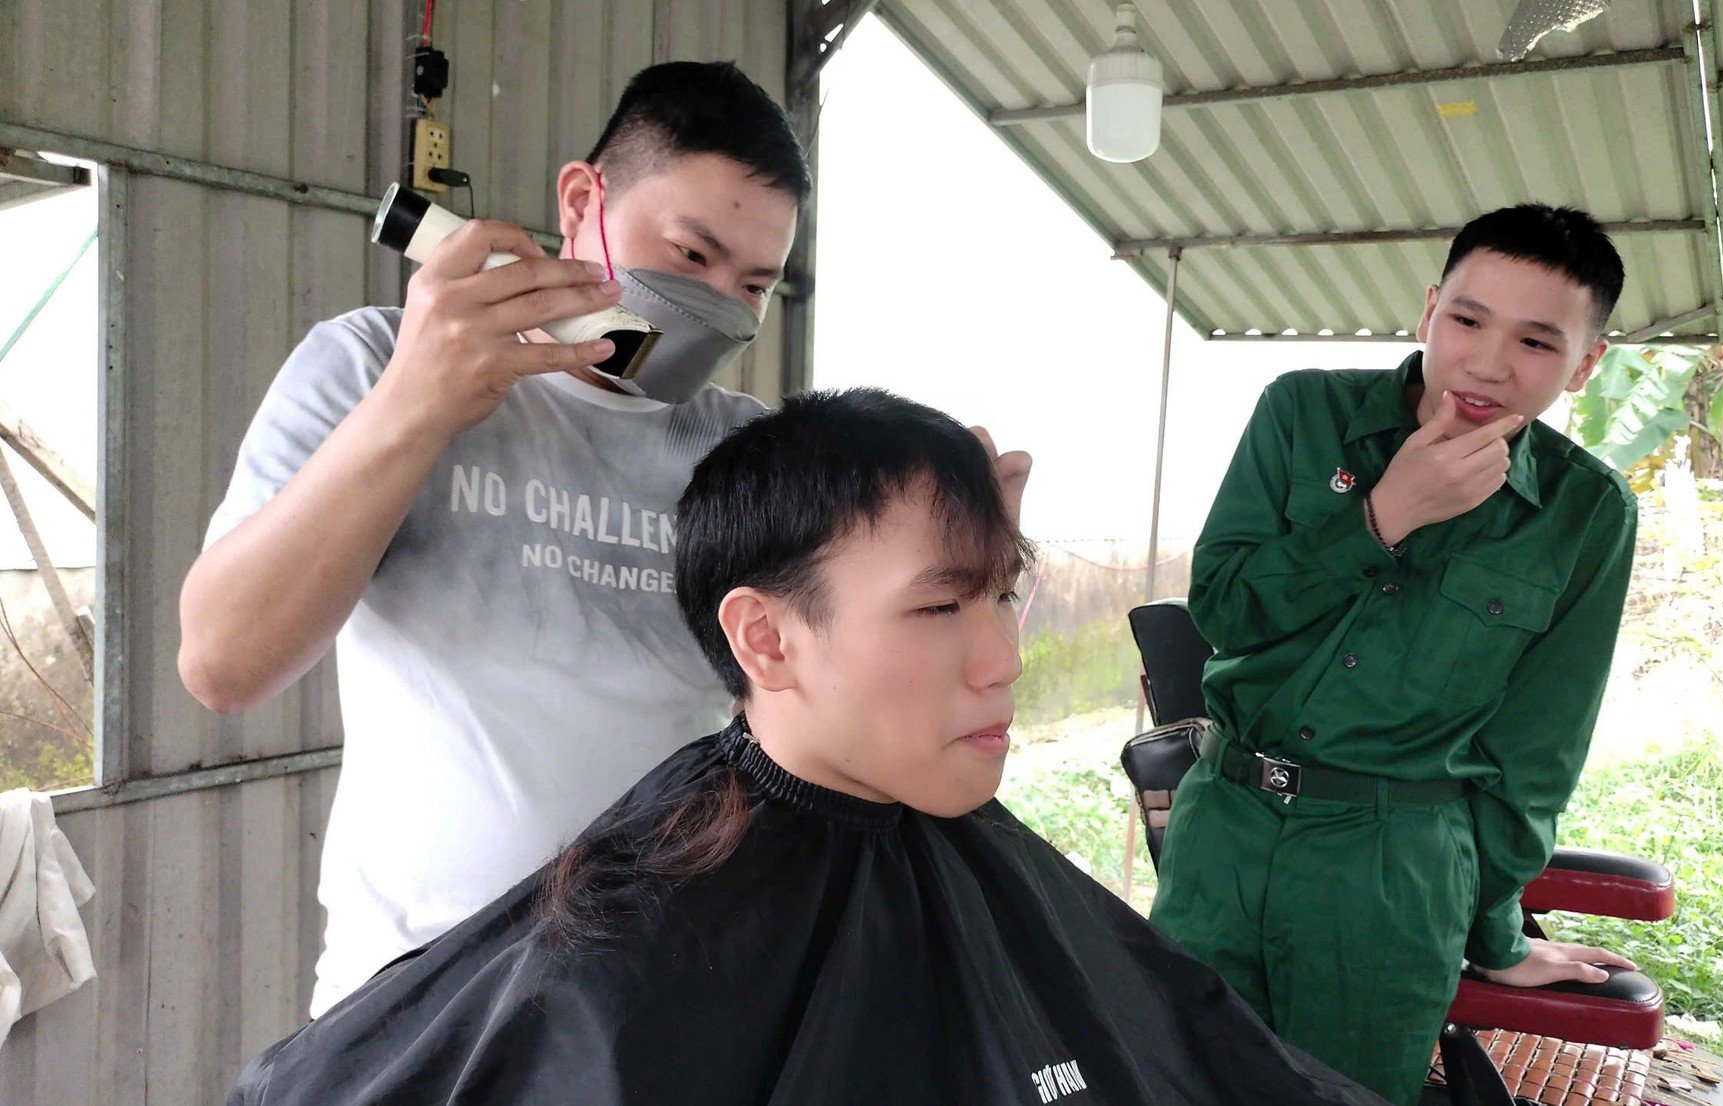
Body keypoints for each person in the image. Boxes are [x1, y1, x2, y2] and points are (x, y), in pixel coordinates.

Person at [226, 388, 1387, 1106]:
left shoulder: (983, 865)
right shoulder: (622, 958)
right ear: (766, 638)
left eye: (1003, 595)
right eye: (939, 608)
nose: (1001, 659)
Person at [176, 61, 815, 1017]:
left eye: (755, 283)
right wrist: (414, 406)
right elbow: (224, 665)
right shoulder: (367, 367)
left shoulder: (744, 453)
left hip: (649, 1012)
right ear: (580, 201)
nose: (722, 303)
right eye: (690, 255)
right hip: (414, 1013)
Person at [1148, 205, 1642, 1105]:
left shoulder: (1587, 514)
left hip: (1391, 869)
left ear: (1587, 362)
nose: (1488, 363)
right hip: (1223, 823)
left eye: (1537, 342)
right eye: (1467, 320)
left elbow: (1534, 756)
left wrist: (1496, 931)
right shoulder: (1303, 412)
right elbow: (1222, 607)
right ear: (1428, 311)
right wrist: (1382, 515)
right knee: (1176, 1080)